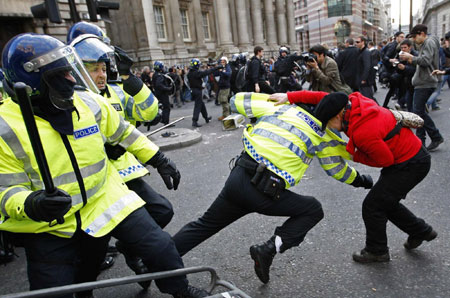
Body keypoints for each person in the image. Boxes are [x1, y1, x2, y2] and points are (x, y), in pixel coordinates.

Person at [0, 33, 208, 298]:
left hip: (103, 197)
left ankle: (180, 290)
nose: (72, 80)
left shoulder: (87, 102)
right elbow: (4, 189)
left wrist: (158, 158)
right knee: (58, 289)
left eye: (71, 71)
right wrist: (30, 203)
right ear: (32, 84)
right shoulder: (4, 127)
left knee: (160, 247)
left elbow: (123, 133)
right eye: (61, 75)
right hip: (50, 223)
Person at [173, 92, 373, 284]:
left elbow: (237, 101)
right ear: (335, 116)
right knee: (312, 210)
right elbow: (337, 170)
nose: (344, 125)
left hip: (238, 177)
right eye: (344, 119)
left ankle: (152, 261)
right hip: (264, 191)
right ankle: (267, 250)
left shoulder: (283, 107)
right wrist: (362, 180)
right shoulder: (322, 136)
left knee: (202, 226)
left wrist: (275, 96)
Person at [271, 90, 438, 263]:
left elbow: (385, 160)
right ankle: (422, 231)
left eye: (328, 123)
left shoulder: (362, 131)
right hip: (410, 155)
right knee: (385, 201)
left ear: (337, 116)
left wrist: (354, 155)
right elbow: (324, 98)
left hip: (410, 165)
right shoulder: (353, 102)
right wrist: (290, 97)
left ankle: (377, 250)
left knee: (373, 206)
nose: (328, 128)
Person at [70, 34, 175, 289]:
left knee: (162, 210)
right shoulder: (66, 101)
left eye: (103, 67)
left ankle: (129, 248)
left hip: (125, 174)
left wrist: (131, 79)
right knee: (93, 250)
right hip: (96, 183)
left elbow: (149, 112)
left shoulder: (116, 90)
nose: (102, 74)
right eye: (94, 68)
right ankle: (83, 289)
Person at [400, 24, 444, 151]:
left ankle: (433, 137)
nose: (413, 40)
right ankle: (422, 141)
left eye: (414, 36)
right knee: (419, 112)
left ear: (421, 33)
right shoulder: (428, 43)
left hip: (426, 82)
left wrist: (411, 57)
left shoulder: (429, 43)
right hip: (423, 81)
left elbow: (425, 61)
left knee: (418, 112)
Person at [187, 58, 222, 127]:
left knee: (201, 105)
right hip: (197, 91)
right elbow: (206, 72)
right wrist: (216, 68)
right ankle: (194, 121)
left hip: (194, 90)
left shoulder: (190, 73)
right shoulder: (196, 73)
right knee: (198, 106)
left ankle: (206, 118)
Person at [152, 61, 173, 125]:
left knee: (164, 107)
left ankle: (164, 120)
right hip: (162, 93)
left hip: (158, 93)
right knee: (167, 107)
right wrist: (167, 88)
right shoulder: (159, 75)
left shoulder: (155, 74)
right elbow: (159, 85)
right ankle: (165, 121)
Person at [215, 57, 232, 121]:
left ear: (226, 61)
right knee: (222, 100)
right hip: (222, 86)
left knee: (224, 101)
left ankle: (226, 115)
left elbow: (228, 74)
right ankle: (228, 113)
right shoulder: (222, 67)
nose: (222, 63)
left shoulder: (227, 67)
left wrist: (222, 71)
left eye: (223, 62)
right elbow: (216, 74)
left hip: (225, 86)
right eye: (221, 62)